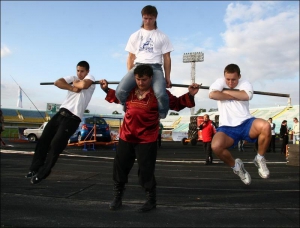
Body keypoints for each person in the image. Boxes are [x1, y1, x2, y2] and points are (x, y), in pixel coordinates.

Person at [99, 64, 199, 212]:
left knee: (146, 170)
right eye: (138, 79)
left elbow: (176, 104)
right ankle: (117, 198)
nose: (140, 82)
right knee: (120, 168)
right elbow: (116, 97)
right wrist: (106, 89)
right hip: (126, 136)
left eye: (144, 80)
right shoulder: (129, 91)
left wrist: (190, 94)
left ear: (151, 78)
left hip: (147, 139)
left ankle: (151, 200)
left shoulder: (160, 95)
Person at [25, 61, 96, 184]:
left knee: (55, 145)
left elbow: (84, 85)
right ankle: (34, 168)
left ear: (87, 71)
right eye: (78, 71)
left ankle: (43, 173)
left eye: (82, 71)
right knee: (44, 140)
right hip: (60, 113)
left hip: (73, 118)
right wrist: (72, 87)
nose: (79, 73)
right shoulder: (73, 79)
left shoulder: (91, 78)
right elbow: (57, 82)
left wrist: (76, 83)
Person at [208, 63, 270, 185]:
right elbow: (212, 94)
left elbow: (246, 96)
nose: (230, 82)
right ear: (224, 76)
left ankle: (260, 158)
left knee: (266, 126)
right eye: (228, 79)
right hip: (227, 127)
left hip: (246, 122)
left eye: (234, 80)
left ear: (239, 76)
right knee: (216, 146)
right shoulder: (220, 81)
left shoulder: (245, 83)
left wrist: (225, 93)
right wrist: (236, 95)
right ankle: (237, 167)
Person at [115, 5, 174, 119]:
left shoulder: (162, 36)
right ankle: (126, 106)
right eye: (145, 18)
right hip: (138, 66)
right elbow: (131, 57)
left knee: (161, 94)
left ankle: (161, 115)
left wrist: (167, 77)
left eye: (150, 18)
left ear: (155, 18)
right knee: (120, 91)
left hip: (155, 67)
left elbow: (167, 58)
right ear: (142, 17)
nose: (147, 21)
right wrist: (130, 74)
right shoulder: (135, 35)